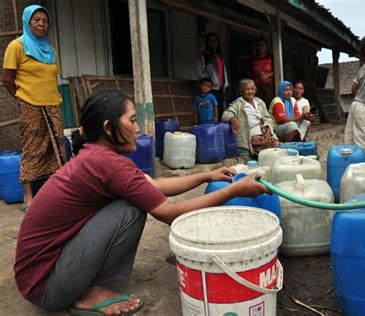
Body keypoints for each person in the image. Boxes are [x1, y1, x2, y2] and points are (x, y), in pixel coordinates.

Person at [14, 90, 269, 314]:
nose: (138, 128)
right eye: (132, 120)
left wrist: (207, 175)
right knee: (131, 209)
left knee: (134, 201)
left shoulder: (95, 156)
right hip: (47, 286)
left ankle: (89, 283)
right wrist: (234, 191)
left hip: (39, 276)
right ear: (107, 127)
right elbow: (167, 213)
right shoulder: (109, 165)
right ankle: (90, 294)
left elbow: (152, 186)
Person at [2, 4, 66, 211]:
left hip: (52, 105)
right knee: (32, 149)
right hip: (30, 106)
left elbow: (52, 79)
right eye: (36, 20)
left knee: (56, 149)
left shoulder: (50, 50)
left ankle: (53, 194)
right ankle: (28, 199)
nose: (41, 24)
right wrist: (22, 98)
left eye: (45, 21)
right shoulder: (17, 46)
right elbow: (7, 79)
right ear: (27, 22)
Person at [222, 79, 278, 156]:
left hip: (264, 133)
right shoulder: (238, 103)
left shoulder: (259, 102)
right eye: (247, 89)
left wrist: (268, 130)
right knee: (268, 152)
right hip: (251, 137)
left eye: (252, 89)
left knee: (278, 147)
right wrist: (233, 119)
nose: (250, 91)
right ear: (242, 91)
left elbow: (267, 118)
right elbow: (226, 114)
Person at [195, 32, 228, 119]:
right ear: (207, 42)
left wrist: (225, 84)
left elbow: (223, 72)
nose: (214, 42)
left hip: (221, 88)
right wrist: (207, 82)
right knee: (211, 112)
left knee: (221, 110)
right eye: (211, 40)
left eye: (216, 40)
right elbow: (198, 71)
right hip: (211, 89)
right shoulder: (204, 56)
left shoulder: (220, 56)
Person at [249, 38, 274, 106]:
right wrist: (257, 75)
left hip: (269, 86)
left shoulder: (271, 58)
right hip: (257, 87)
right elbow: (249, 73)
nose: (260, 48)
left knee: (270, 104)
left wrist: (267, 75)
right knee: (258, 105)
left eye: (262, 46)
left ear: (266, 47)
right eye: (258, 46)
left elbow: (276, 71)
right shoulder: (253, 59)